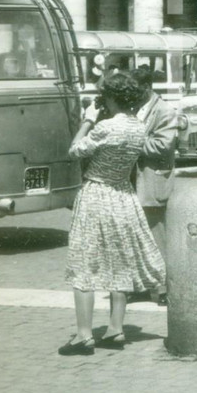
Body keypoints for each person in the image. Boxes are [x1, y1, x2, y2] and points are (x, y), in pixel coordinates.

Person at [61, 72, 165, 355]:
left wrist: (88, 119)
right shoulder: (138, 127)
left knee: (85, 262)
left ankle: (83, 335)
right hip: (123, 196)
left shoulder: (104, 127)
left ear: (111, 97)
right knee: (120, 261)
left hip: (96, 194)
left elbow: (75, 150)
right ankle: (116, 329)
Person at [129, 67, 178, 306]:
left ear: (147, 88)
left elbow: (163, 145)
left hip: (152, 180)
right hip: (130, 181)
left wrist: (130, 139)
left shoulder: (165, 110)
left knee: (157, 236)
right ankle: (140, 284)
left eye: (135, 90)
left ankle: (163, 288)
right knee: (134, 236)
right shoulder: (132, 108)